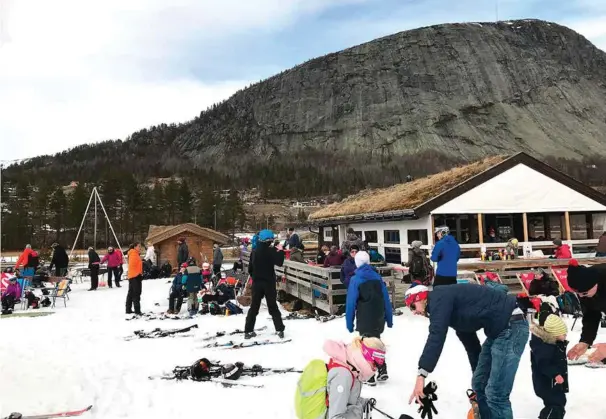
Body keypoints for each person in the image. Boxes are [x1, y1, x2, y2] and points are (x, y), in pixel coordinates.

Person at [405, 283, 529, 419]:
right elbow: (471, 344)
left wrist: (422, 374)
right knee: (479, 383)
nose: (414, 312)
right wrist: (480, 371)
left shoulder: (439, 298)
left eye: (412, 306)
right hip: (499, 331)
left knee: (496, 393)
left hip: (512, 326)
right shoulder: (449, 308)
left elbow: (437, 335)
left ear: (421, 297)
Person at [295, 337, 386, 419]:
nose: (375, 369)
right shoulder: (343, 376)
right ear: (366, 356)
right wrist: (357, 412)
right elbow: (336, 416)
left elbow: (345, 398)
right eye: (375, 364)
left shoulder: (352, 368)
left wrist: (362, 403)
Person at [346, 251, 393, 384]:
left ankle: (369, 374)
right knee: (376, 342)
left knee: (365, 345)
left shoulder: (356, 279)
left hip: (364, 316)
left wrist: (349, 323)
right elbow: (386, 299)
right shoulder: (377, 278)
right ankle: (382, 369)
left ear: (357, 263)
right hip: (378, 315)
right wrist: (389, 319)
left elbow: (351, 303)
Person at [244, 229, 285, 339]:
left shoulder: (255, 251)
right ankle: (279, 330)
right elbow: (280, 262)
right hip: (269, 283)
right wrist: (280, 250)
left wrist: (255, 277)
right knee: (273, 307)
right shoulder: (271, 251)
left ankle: (248, 331)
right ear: (270, 239)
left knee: (254, 308)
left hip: (257, 283)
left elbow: (250, 269)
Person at [565, 260, 606, 366]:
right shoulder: (586, 288)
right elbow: (591, 315)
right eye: (577, 294)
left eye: (584, 293)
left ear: (595, 283)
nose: (581, 297)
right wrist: (585, 341)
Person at [530, 314, 569, 419]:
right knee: (555, 405)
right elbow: (544, 364)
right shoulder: (545, 347)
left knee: (558, 403)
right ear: (554, 334)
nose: (566, 335)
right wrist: (555, 374)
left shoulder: (552, 344)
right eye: (563, 334)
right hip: (548, 383)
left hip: (553, 383)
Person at [126, 243, 143, 315]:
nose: (140, 248)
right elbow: (134, 265)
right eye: (139, 246)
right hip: (135, 276)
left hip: (133, 275)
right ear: (135, 247)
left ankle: (128, 309)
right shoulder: (133, 254)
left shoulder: (135, 253)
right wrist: (139, 273)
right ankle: (137, 310)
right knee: (136, 293)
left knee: (131, 293)